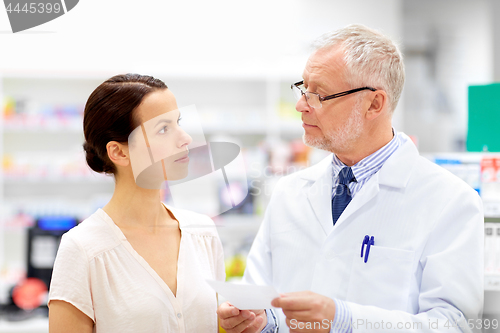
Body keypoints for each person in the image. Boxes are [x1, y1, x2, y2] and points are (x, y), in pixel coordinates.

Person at [217, 24, 484, 333]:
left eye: (320, 94)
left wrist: (345, 320)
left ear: (374, 104)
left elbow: (453, 326)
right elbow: (264, 299)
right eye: (303, 89)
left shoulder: (451, 201)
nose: (301, 105)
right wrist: (257, 320)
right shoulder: (289, 192)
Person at [48, 74, 225, 332]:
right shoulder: (84, 249)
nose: (185, 138)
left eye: (178, 122)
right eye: (164, 129)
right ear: (119, 152)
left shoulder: (203, 233)